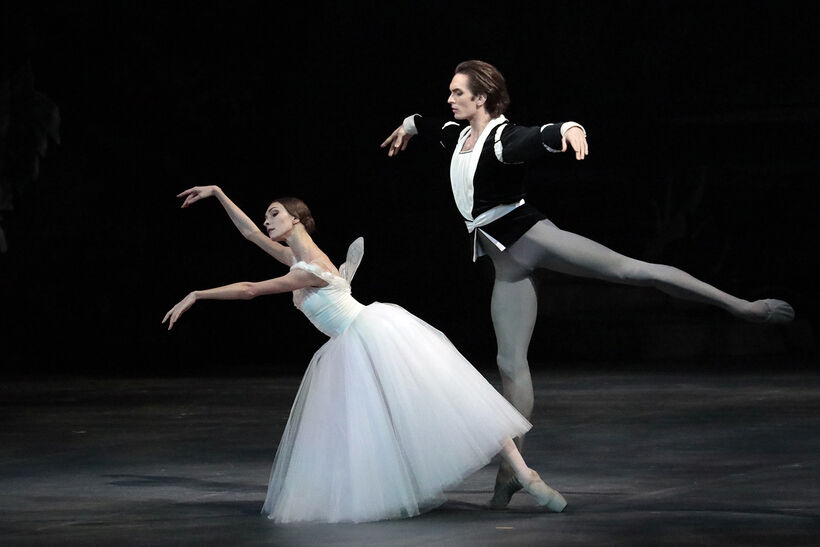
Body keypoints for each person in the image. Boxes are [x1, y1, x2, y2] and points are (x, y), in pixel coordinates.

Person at [380, 59, 795, 509]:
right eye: (450, 92)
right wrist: (406, 127)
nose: (450, 99)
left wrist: (570, 131)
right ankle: (510, 472)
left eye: (458, 93)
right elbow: (424, 123)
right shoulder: (457, 136)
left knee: (632, 270)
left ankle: (742, 307)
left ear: (481, 99)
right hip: (507, 267)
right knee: (510, 364)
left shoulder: (503, 139)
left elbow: (543, 135)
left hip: (533, 240)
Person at [162, 185, 568, 524]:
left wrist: (198, 294)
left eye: (273, 214)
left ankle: (525, 475)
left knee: (449, 400)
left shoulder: (311, 267)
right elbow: (250, 235)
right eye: (266, 216)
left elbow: (250, 289)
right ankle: (519, 475)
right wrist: (217, 193)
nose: (266, 221)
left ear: (296, 220)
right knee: (425, 409)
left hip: (373, 336)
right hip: (354, 344)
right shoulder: (296, 258)